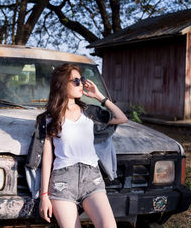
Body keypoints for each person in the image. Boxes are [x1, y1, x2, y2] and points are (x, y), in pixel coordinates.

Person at [37, 63, 128, 228]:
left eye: (82, 79)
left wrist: (99, 96)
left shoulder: (90, 112)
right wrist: (44, 196)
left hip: (91, 179)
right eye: (76, 81)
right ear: (62, 84)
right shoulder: (49, 118)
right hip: (63, 181)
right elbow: (47, 157)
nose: (82, 84)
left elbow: (121, 118)